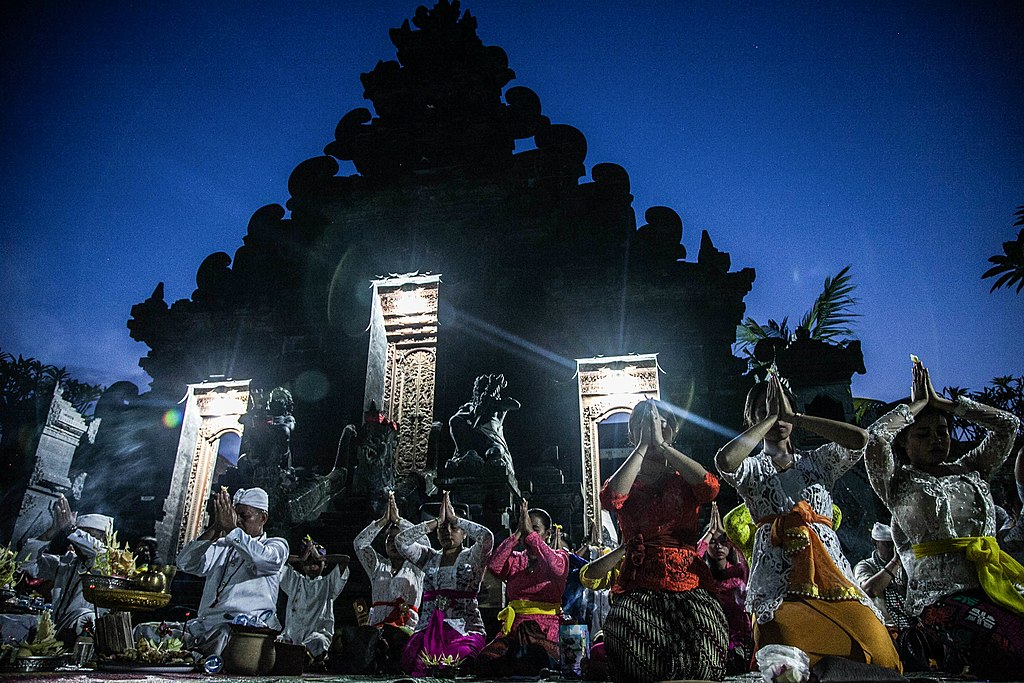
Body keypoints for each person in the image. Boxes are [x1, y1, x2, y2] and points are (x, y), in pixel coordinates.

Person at [715, 373, 900, 671]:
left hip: (832, 576)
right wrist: (771, 417)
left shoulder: (817, 461)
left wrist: (796, 417)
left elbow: (859, 440)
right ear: (753, 419)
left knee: (880, 655)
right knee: (786, 663)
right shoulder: (750, 470)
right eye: (767, 412)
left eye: (784, 410)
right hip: (778, 585)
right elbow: (724, 461)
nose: (778, 420)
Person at [865, 361, 1023, 679]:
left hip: (994, 582)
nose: (937, 439)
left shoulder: (971, 469)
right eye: (923, 434)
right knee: (1008, 643)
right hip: (939, 599)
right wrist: (916, 406)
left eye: (942, 431)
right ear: (905, 445)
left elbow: (1008, 425)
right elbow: (875, 439)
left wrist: (947, 404)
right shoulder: (897, 483)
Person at [600, 399, 729, 683]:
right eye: (641, 425)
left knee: (704, 653)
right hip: (640, 582)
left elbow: (710, 488)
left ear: (671, 429)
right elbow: (610, 499)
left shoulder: (683, 477)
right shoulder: (627, 479)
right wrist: (643, 447)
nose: (652, 428)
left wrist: (664, 446)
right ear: (631, 434)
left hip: (688, 582)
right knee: (638, 655)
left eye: (659, 422)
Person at [176, 487, 289, 656]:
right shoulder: (224, 546)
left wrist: (232, 531)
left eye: (245, 516)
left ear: (263, 518)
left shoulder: (276, 546)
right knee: (148, 632)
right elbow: (185, 563)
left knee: (222, 637)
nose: (237, 522)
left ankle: (194, 657)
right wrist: (216, 527)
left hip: (243, 631)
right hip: (205, 627)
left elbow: (264, 560)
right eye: (235, 516)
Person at [395, 491, 494, 676]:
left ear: (464, 534)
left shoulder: (472, 557)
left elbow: (487, 537)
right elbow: (401, 542)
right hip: (428, 629)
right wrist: (435, 523)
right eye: (443, 529)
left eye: (453, 528)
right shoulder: (429, 557)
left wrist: (456, 519)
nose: (447, 532)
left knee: (457, 659)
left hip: (465, 628)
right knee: (412, 659)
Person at [477, 500, 568, 676]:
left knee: (531, 657)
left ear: (548, 534)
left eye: (535, 528)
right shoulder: (517, 560)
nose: (529, 534)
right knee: (486, 661)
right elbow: (495, 566)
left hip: (545, 631)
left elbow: (556, 567)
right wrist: (518, 533)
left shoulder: (559, 557)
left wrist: (531, 536)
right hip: (514, 629)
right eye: (527, 528)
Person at [21, 495, 110, 643]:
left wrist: (71, 529)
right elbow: (25, 563)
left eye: (87, 535)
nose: (77, 540)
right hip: (56, 634)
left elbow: (99, 551)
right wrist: (53, 530)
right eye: (78, 535)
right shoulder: (66, 563)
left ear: (104, 540)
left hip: (86, 639)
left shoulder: (107, 563)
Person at [353, 490, 425, 668]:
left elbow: (424, 540)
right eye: (389, 539)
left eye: (398, 539)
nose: (393, 543)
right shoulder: (377, 566)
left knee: (398, 641)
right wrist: (382, 521)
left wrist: (400, 521)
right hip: (377, 628)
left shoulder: (417, 566)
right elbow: (359, 544)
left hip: (405, 629)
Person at [697, 502, 753, 674]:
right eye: (713, 542)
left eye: (723, 542)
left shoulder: (741, 569)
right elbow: (692, 558)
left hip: (743, 636)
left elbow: (741, 548)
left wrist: (726, 532)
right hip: (715, 636)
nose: (719, 546)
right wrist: (710, 533)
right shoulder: (703, 573)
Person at [279, 536, 349, 661]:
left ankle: (306, 658)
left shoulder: (329, 583)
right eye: (307, 563)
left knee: (319, 641)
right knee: (278, 642)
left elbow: (345, 560)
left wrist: (320, 556)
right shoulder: (295, 581)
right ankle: (301, 657)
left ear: (325, 564)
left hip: (317, 638)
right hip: (291, 637)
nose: (312, 566)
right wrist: (301, 558)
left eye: (316, 563)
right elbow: (278, 562)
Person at [853, 522, 912, 631]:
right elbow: (869, 590)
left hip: (908, 628)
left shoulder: (905, 566)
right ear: (874, 543)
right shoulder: (865, 566)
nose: (891, 550)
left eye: (894, 545)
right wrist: (895, 561)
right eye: (887, 545)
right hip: (883, 629)